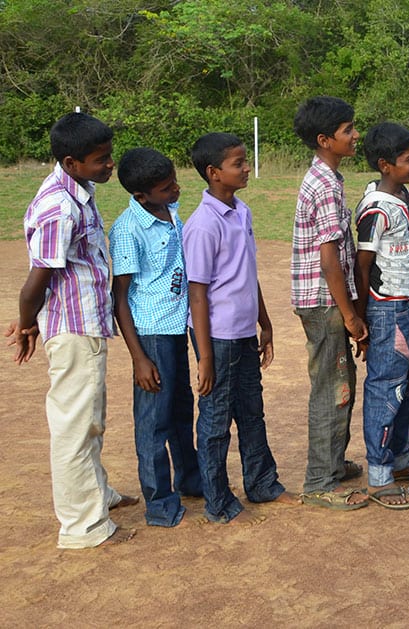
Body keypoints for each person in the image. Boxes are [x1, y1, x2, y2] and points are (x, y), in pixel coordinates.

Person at [7, 112, 137, 548]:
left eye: (109, 156)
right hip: (73, 327)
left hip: (87, 322)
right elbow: (36, 281)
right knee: (74, 426)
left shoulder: (80, 189)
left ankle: (96, 494)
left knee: (90, 419)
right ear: (70, 161)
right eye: (100, 160)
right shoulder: (59, 207)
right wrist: (27, 324)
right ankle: (82, 527)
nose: (109, 166)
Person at [184, 132, 296, 523]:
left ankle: (262, 483)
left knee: (252, 411)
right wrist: (206, 356)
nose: (247, 168)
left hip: (245, 332)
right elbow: (196, 293)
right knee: (215, 421)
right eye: (238, 163)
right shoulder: (201, 225)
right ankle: (218, 500)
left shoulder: (242, 212)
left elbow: (247, 272)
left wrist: (264, 321)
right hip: (217, 338)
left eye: (245, 161)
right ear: (214, 173)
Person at [109, 147, 202, 527]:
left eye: (175, 182)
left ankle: (190, 479)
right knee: (154, 421)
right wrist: (139, 358)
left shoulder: (169, 213)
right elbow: (120, 298)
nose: (177, 190)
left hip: (175, 327)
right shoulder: (128, 230)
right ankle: (160, 503)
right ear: (141, 196)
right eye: (167, 189)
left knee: (181, 410)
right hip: (150, 335)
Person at [291, 96, 368, 510]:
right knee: (331, 388)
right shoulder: (322, 186)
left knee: (341, 383)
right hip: (324, 303)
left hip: (328, 300)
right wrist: (351, 314)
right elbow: (328, 259)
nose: (355, 136)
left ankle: (333, 463)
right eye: (347, 131)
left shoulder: (330, 179)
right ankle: (320, 479)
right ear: (324, 139)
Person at [353, 122, 409, 510]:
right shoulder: (376, 208)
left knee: (406, 383)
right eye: (408, 160)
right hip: (386, 308)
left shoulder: (404, 197)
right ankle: (379, 474)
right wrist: (361, 320)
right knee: (386, 385)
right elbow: (362, 267)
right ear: (384, 164)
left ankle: (399, 456)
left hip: (407, 303)